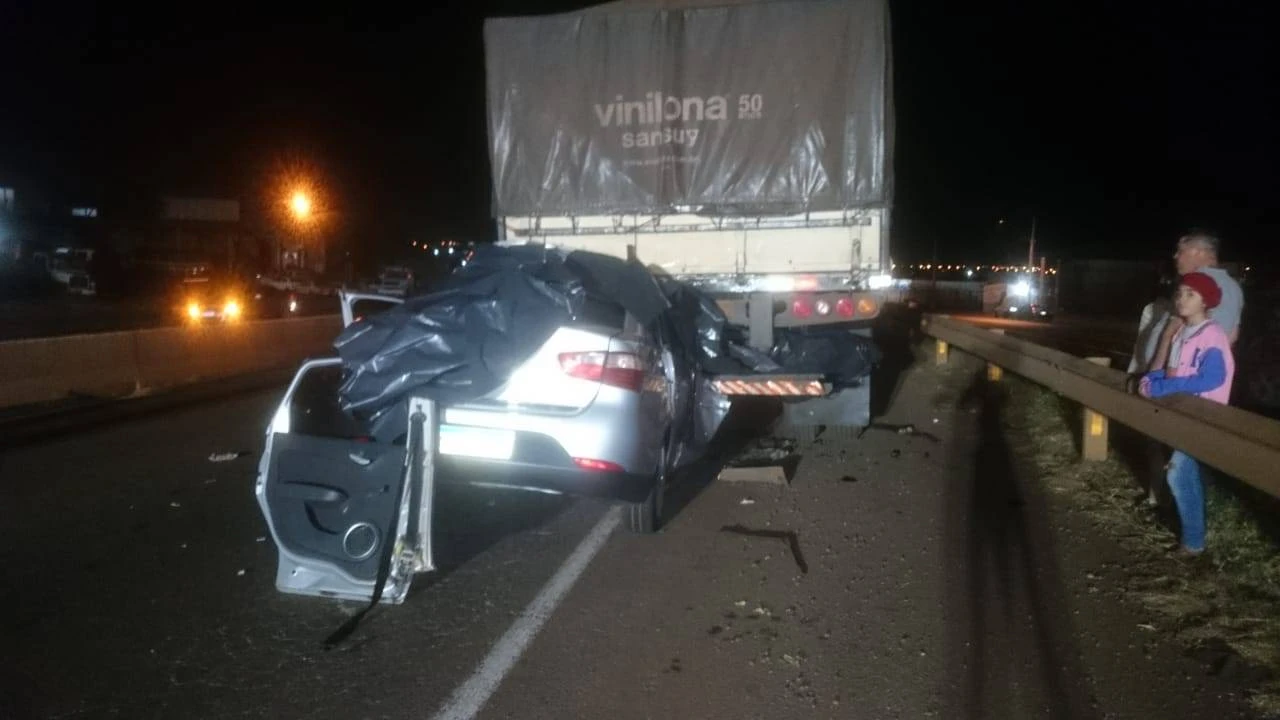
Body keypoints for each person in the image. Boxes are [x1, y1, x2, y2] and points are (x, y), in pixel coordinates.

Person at [1139, 272, 1236, 555]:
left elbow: (1212, 379)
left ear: (1205, 301)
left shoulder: (1211, 334)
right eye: (1180, 293)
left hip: (1203, 416)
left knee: (1179, 473)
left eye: (1190, 294)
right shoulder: (1182, 332)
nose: (1182, 299)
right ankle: (1192, 538)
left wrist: (1165, 386)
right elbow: (1175, 372)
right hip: (1184, 414)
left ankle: (1193, 543)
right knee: (1184, 472)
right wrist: (1153, 380)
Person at [1149, 229, 1244, 374]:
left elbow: (1178, 336)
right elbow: (1232, 336)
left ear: (1199, 253)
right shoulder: (1233, 287)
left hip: (1172, 378)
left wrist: (1155, 376)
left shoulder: (1198, 285)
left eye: (1180, 251)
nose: (1175, 256)